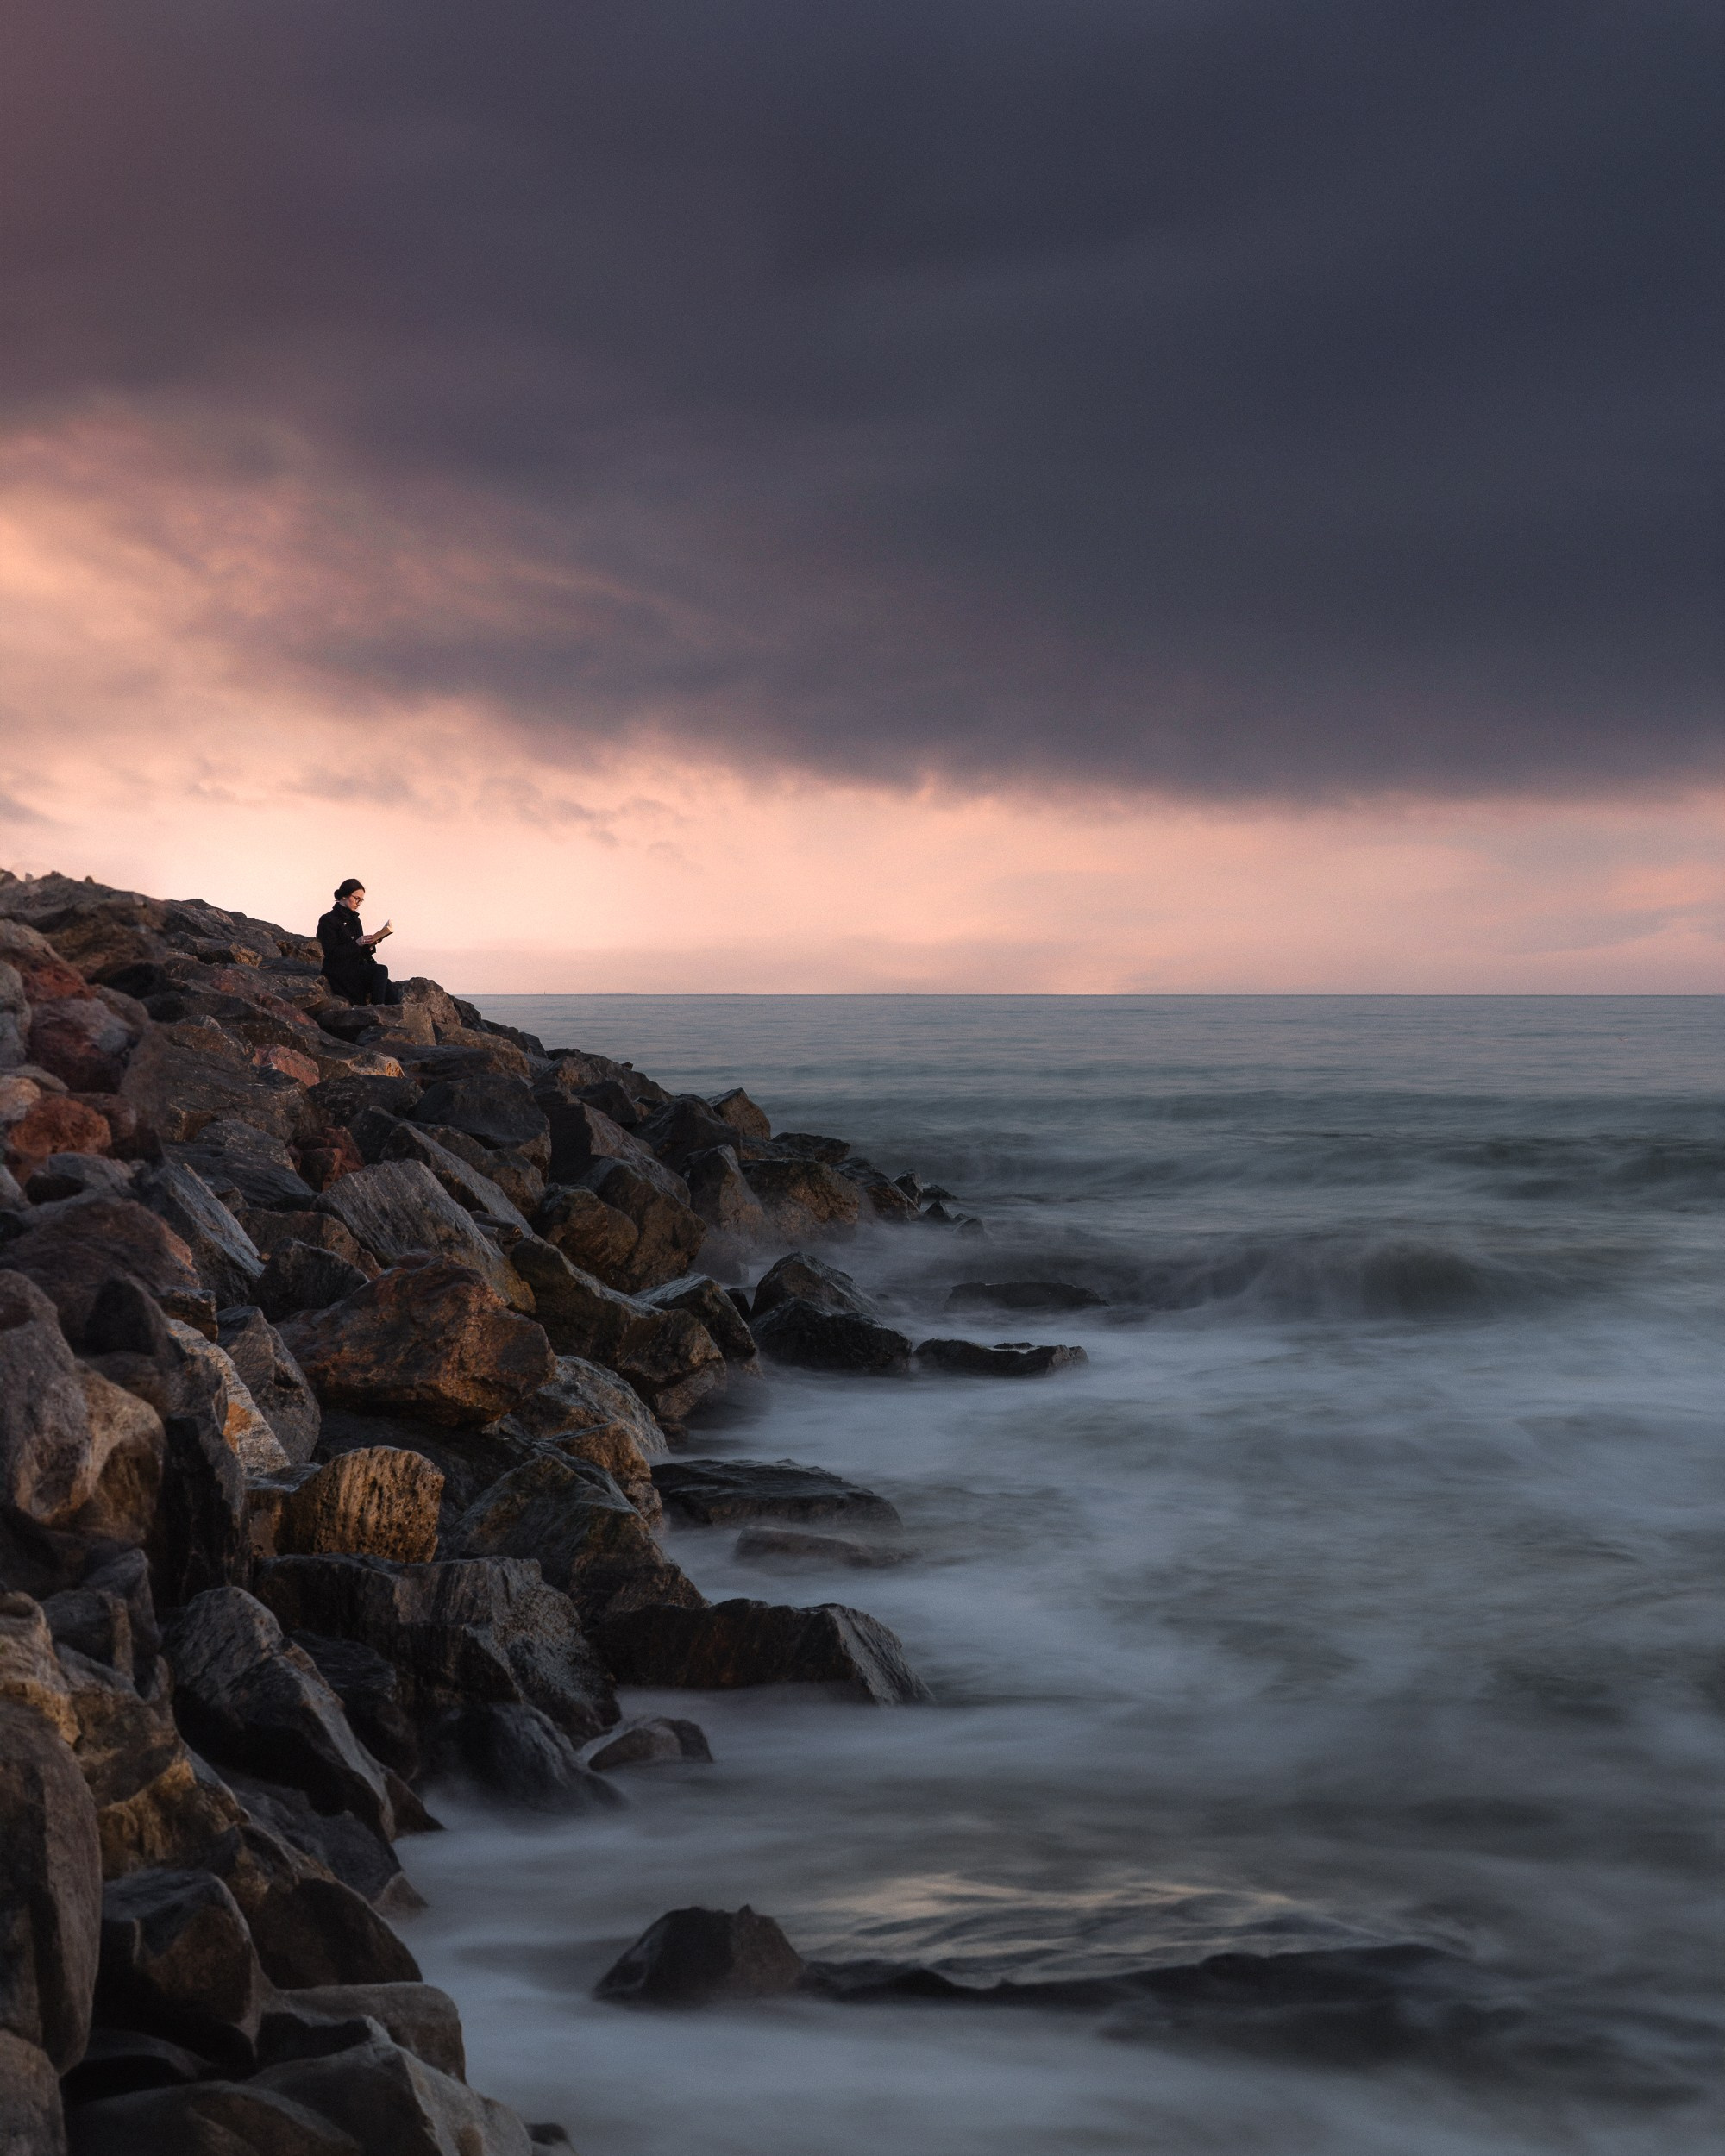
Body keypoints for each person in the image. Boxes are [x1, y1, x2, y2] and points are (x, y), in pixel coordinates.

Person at [316, 878, 398, 1005]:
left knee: (385, 982)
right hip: (338, 971)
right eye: (356, 899)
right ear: (344, 896)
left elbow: (360, 952)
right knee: (380, 970)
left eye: (361, 900)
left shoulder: (355, 920)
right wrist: (356, 944)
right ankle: (378, 1009)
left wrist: (370, 945)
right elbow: (330, 952)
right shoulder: (328, 920)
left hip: (354, 967)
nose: (358, 903)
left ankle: (397, 1016)